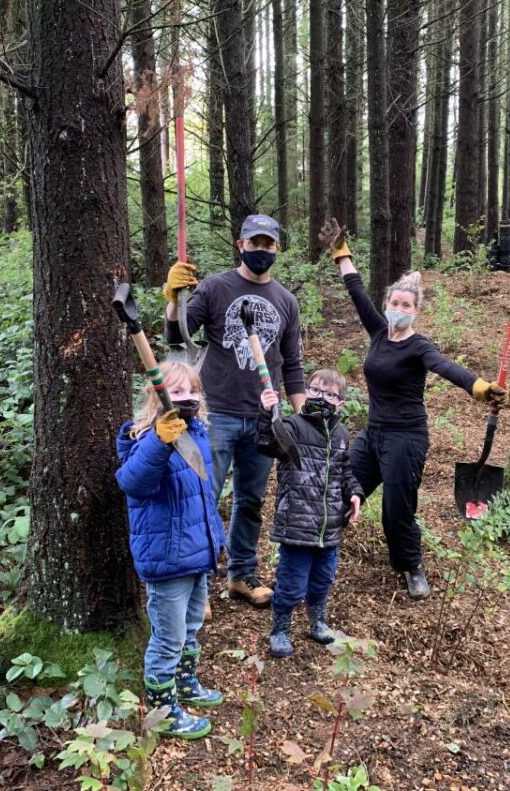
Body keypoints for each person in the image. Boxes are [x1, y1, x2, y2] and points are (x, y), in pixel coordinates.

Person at [318, 219, 506, 599]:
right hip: (373, 433)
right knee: (338, 487)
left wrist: (481, 388)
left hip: (406, 437)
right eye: (394, 303)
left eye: (406, 305)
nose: (398, 309)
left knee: (396, 512)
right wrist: (341, 253)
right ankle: (317, 550)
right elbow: (355, 291)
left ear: (416, 310)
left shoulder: (419, 346)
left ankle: (410, 565)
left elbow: (445, 367)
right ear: (387, 304)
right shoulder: (378, 332)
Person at [163, 214, 307, 608]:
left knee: (251, 500)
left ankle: (241, 575)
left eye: (268, 244)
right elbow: (177, 338)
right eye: (254, 243)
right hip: (217, 413)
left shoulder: (286, 301)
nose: (261, 250)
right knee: (203, 497)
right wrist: (175, 300)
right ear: (241, 245)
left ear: (277, 248)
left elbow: (291, 364)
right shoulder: (214, 287)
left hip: (263, 418)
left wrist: (304, 419)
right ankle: (198, 585)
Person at [116, 361, 226, 740]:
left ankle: (186, 683)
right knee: (169, 636)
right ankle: (163, 710)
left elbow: (203, 496)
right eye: (177, 392)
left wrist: (217, 539)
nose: (187, 398)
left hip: (198, 554)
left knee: (192, 627)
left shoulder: (197, 432)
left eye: (192, 391)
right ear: (156, 397)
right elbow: (133, 483)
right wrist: (158, 441)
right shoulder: (138, 436)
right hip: (167, 558)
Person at [256, 369, 363, 658]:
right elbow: (266, 443)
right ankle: (280, 628)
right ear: (307, 393)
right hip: (297, 523)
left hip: (329, 527)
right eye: (315, 390)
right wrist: (266, 413)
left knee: (322, 579)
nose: (321, 397)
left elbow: (345, 470)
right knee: (291, 582)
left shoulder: (340, 434)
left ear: (340, 402)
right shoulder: (292, 425)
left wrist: (354, 494)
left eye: (329, 394)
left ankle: (317, 621)